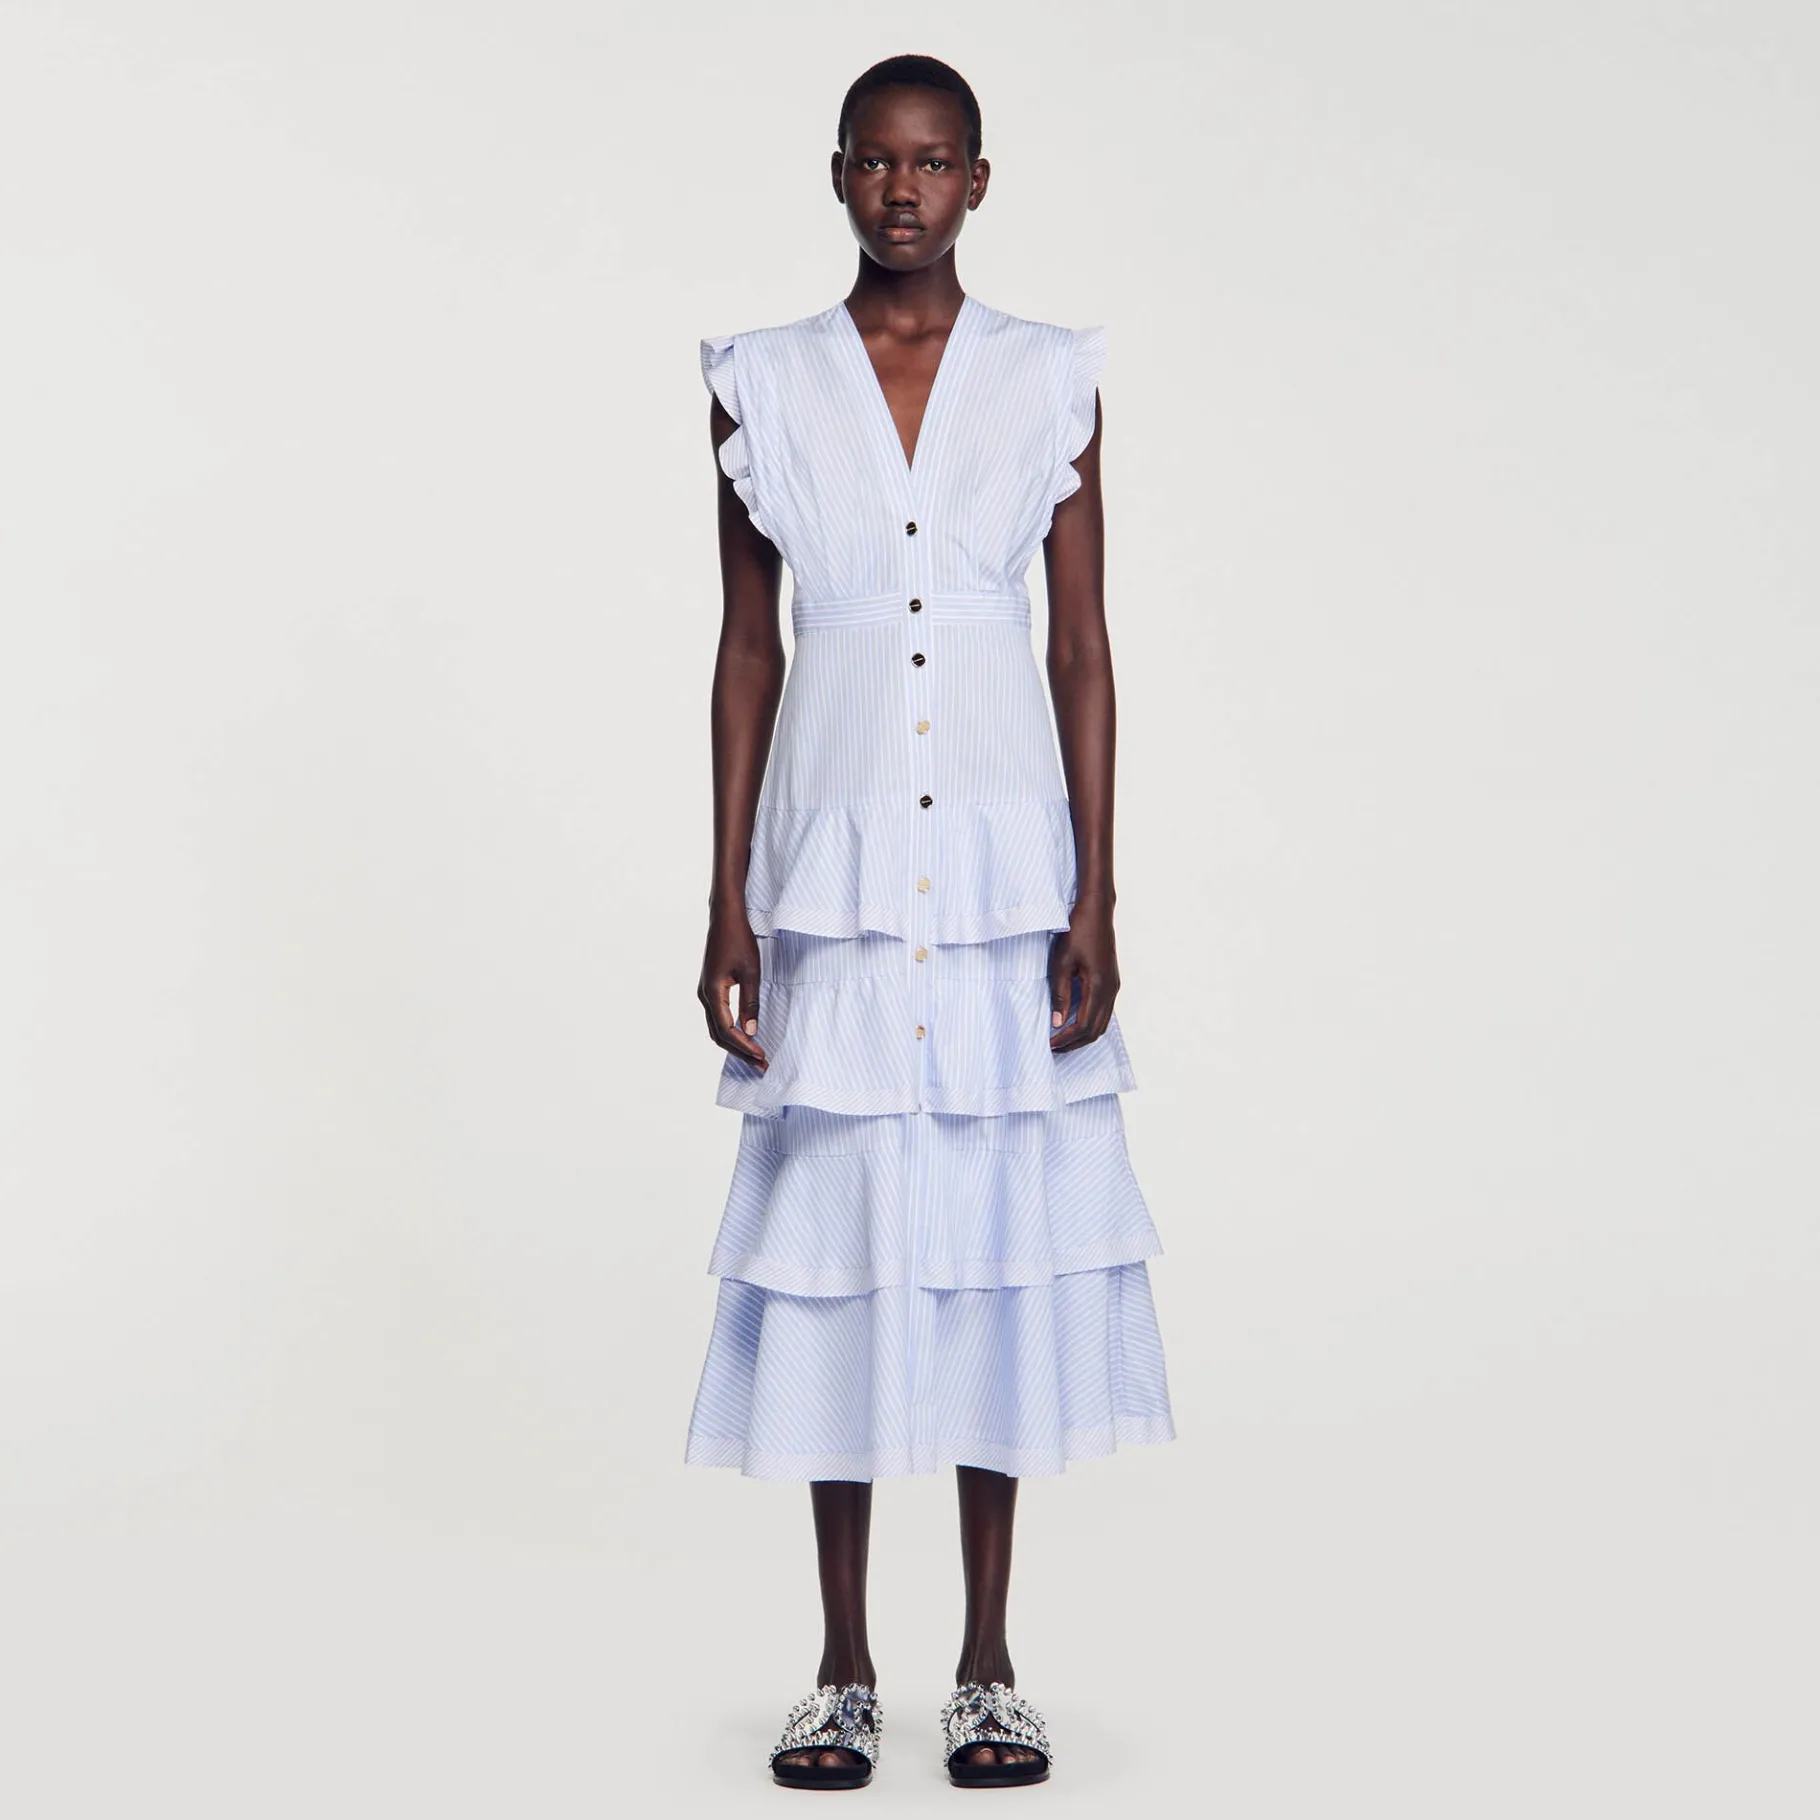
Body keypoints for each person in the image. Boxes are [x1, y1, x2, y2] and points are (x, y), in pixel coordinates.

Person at [687, 53, 1175, 1791]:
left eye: (937, 161)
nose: (906, 190)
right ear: (839, 174)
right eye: (879, 162)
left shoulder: (1051, 379)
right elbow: (749, 650)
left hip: (995, 878)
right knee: (836, 1253)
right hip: (828, 877)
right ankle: (840, 1666)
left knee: (986, 1244)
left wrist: (1092, 891)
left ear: (979, 179)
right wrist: (729, 897)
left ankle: (986, 1663)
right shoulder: (758, 381)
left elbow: (1081, 646)